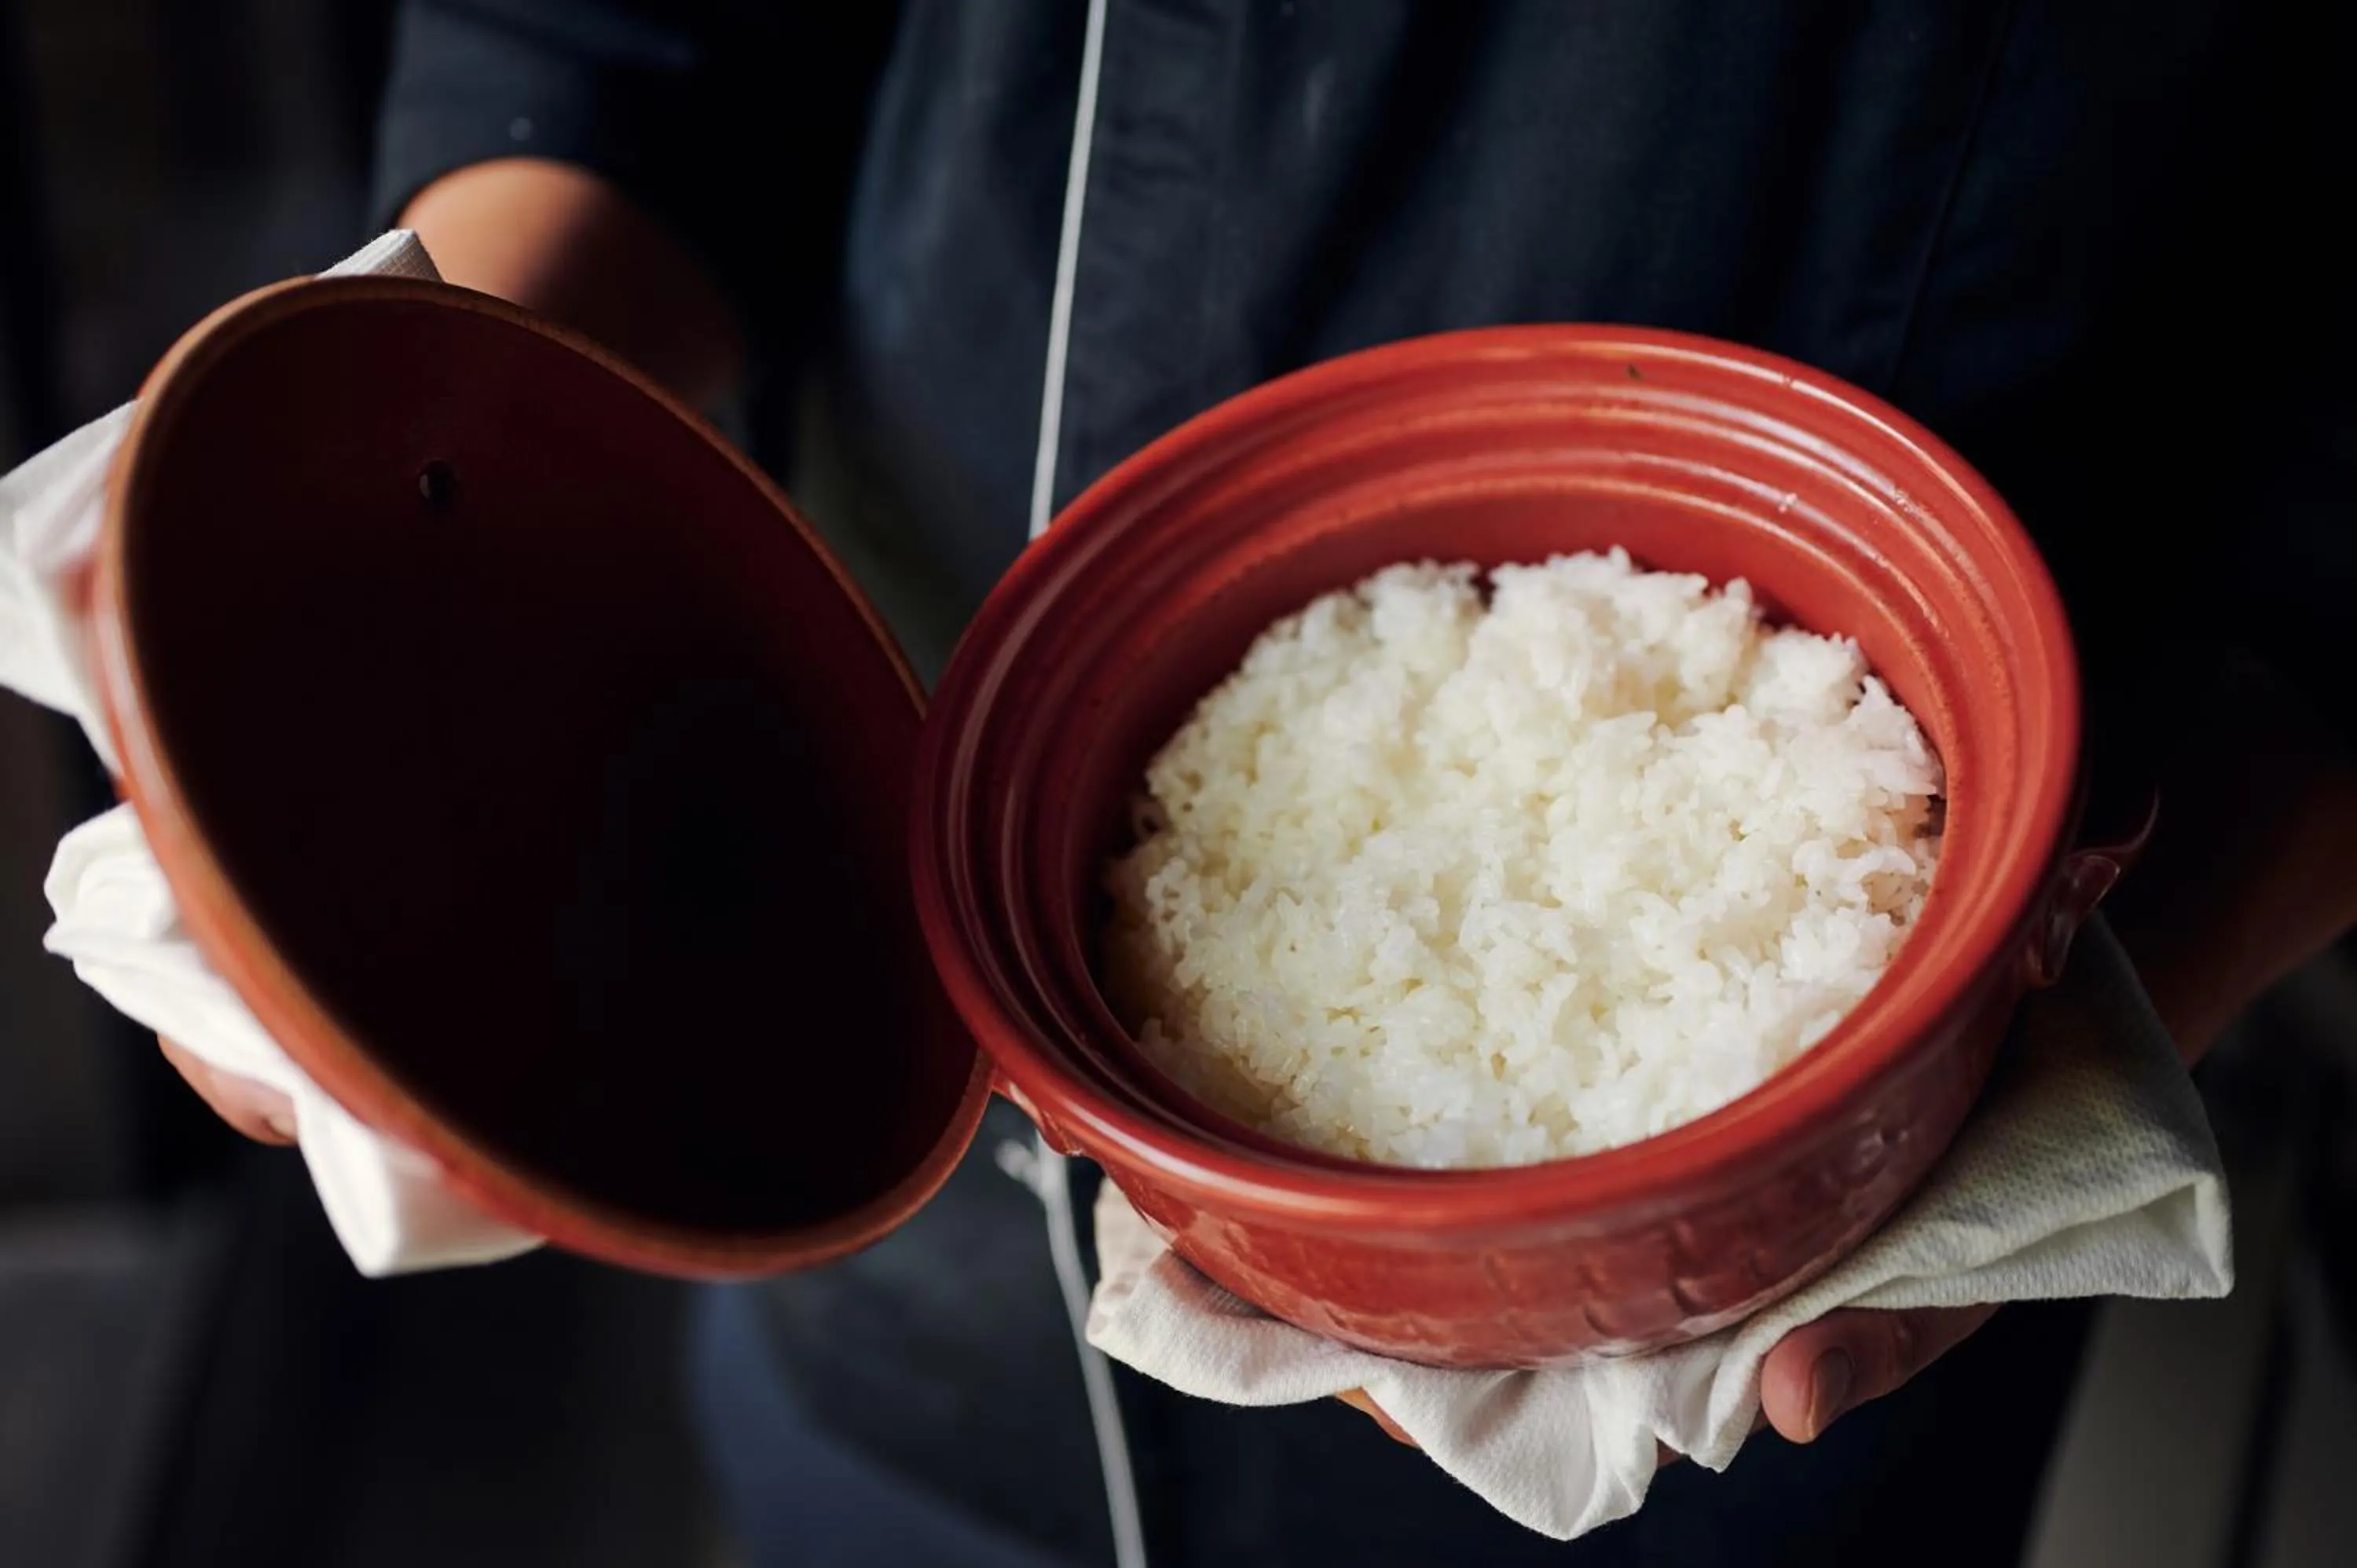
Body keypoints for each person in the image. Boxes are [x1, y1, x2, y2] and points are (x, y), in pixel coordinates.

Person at [161, 2, 2357, 1563]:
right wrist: (455, 520)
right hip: (886, 1141)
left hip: (1746, 1385)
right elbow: (627, 47)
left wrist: (2112, 1004)